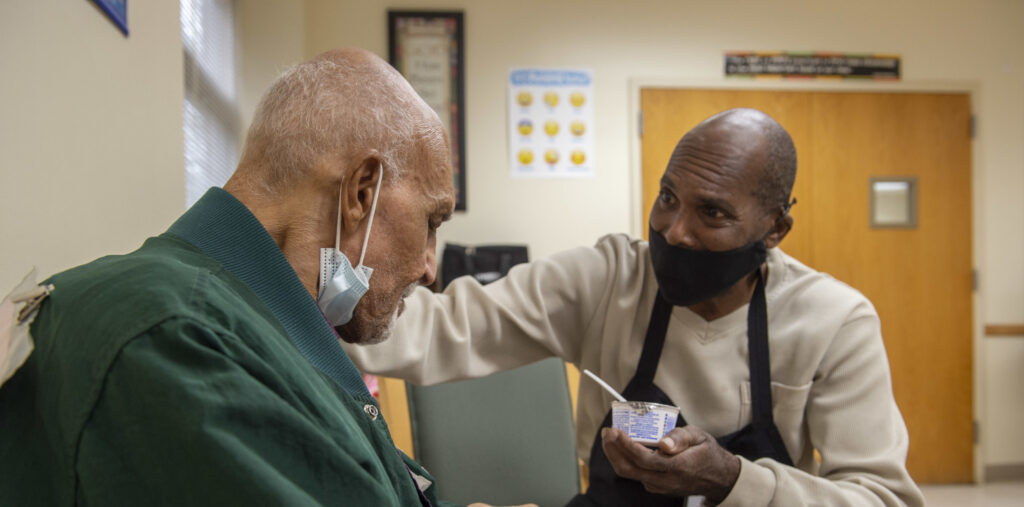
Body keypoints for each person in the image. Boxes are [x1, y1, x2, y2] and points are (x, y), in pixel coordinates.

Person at [343, 109, 925, 506]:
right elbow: (440, 329)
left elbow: (882, 497)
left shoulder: (833, 321)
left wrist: (733, 479)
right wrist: (305, 290)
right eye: (668, 197)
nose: (674, 232)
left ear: (775, 229)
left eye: (712, 214)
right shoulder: (610, 279)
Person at [0, 48, 471, 506]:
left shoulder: (243, 330)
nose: (429, 269)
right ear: (361, 192)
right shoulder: (178, 343)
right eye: (432, 222)